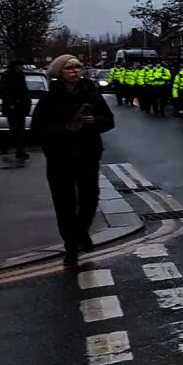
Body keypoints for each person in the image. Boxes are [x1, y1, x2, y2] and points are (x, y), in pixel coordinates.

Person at [30, 55, 115, 265]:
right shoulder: (49, 99)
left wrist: (94, 121)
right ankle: (71, 247)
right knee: (64, 203)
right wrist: (65, 129)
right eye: (69, 68)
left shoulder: (92, 94)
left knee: (90, 199)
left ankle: (81, 232)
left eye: (77, 67)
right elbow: (37, 130)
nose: (75, 71)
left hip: (88, 154)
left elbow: (109, 121)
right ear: (60, 73)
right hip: (60, 157)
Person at [0, 59, 32, 160]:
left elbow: (24, 90)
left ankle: (19, 150)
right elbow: (4, 91)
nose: (21, 68)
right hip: (12, 106)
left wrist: (27, 102)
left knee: (20, 129)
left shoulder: (21, 76)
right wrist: (10, 103)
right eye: (20, 66)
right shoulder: (6, 76)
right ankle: (13, 148)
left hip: (21, 106)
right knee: (15, 129)